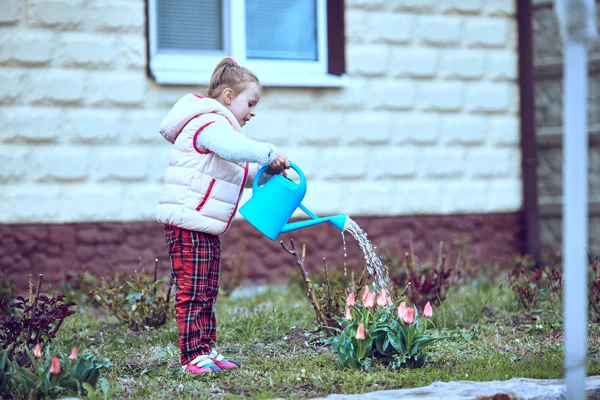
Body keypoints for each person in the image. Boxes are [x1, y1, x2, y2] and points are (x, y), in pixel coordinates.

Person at [156, 57, 290, 375]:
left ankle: (206, 348)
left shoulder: (223, 133)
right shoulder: (207, 124)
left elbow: (238, 175)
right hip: (188, 222)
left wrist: (266, 173)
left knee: (207, 289)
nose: (252, 112)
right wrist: (268, 153)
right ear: (228, 97)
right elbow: (233, 149)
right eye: (250, 102)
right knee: (192, 288)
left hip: (205, 225)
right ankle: (192, 355)